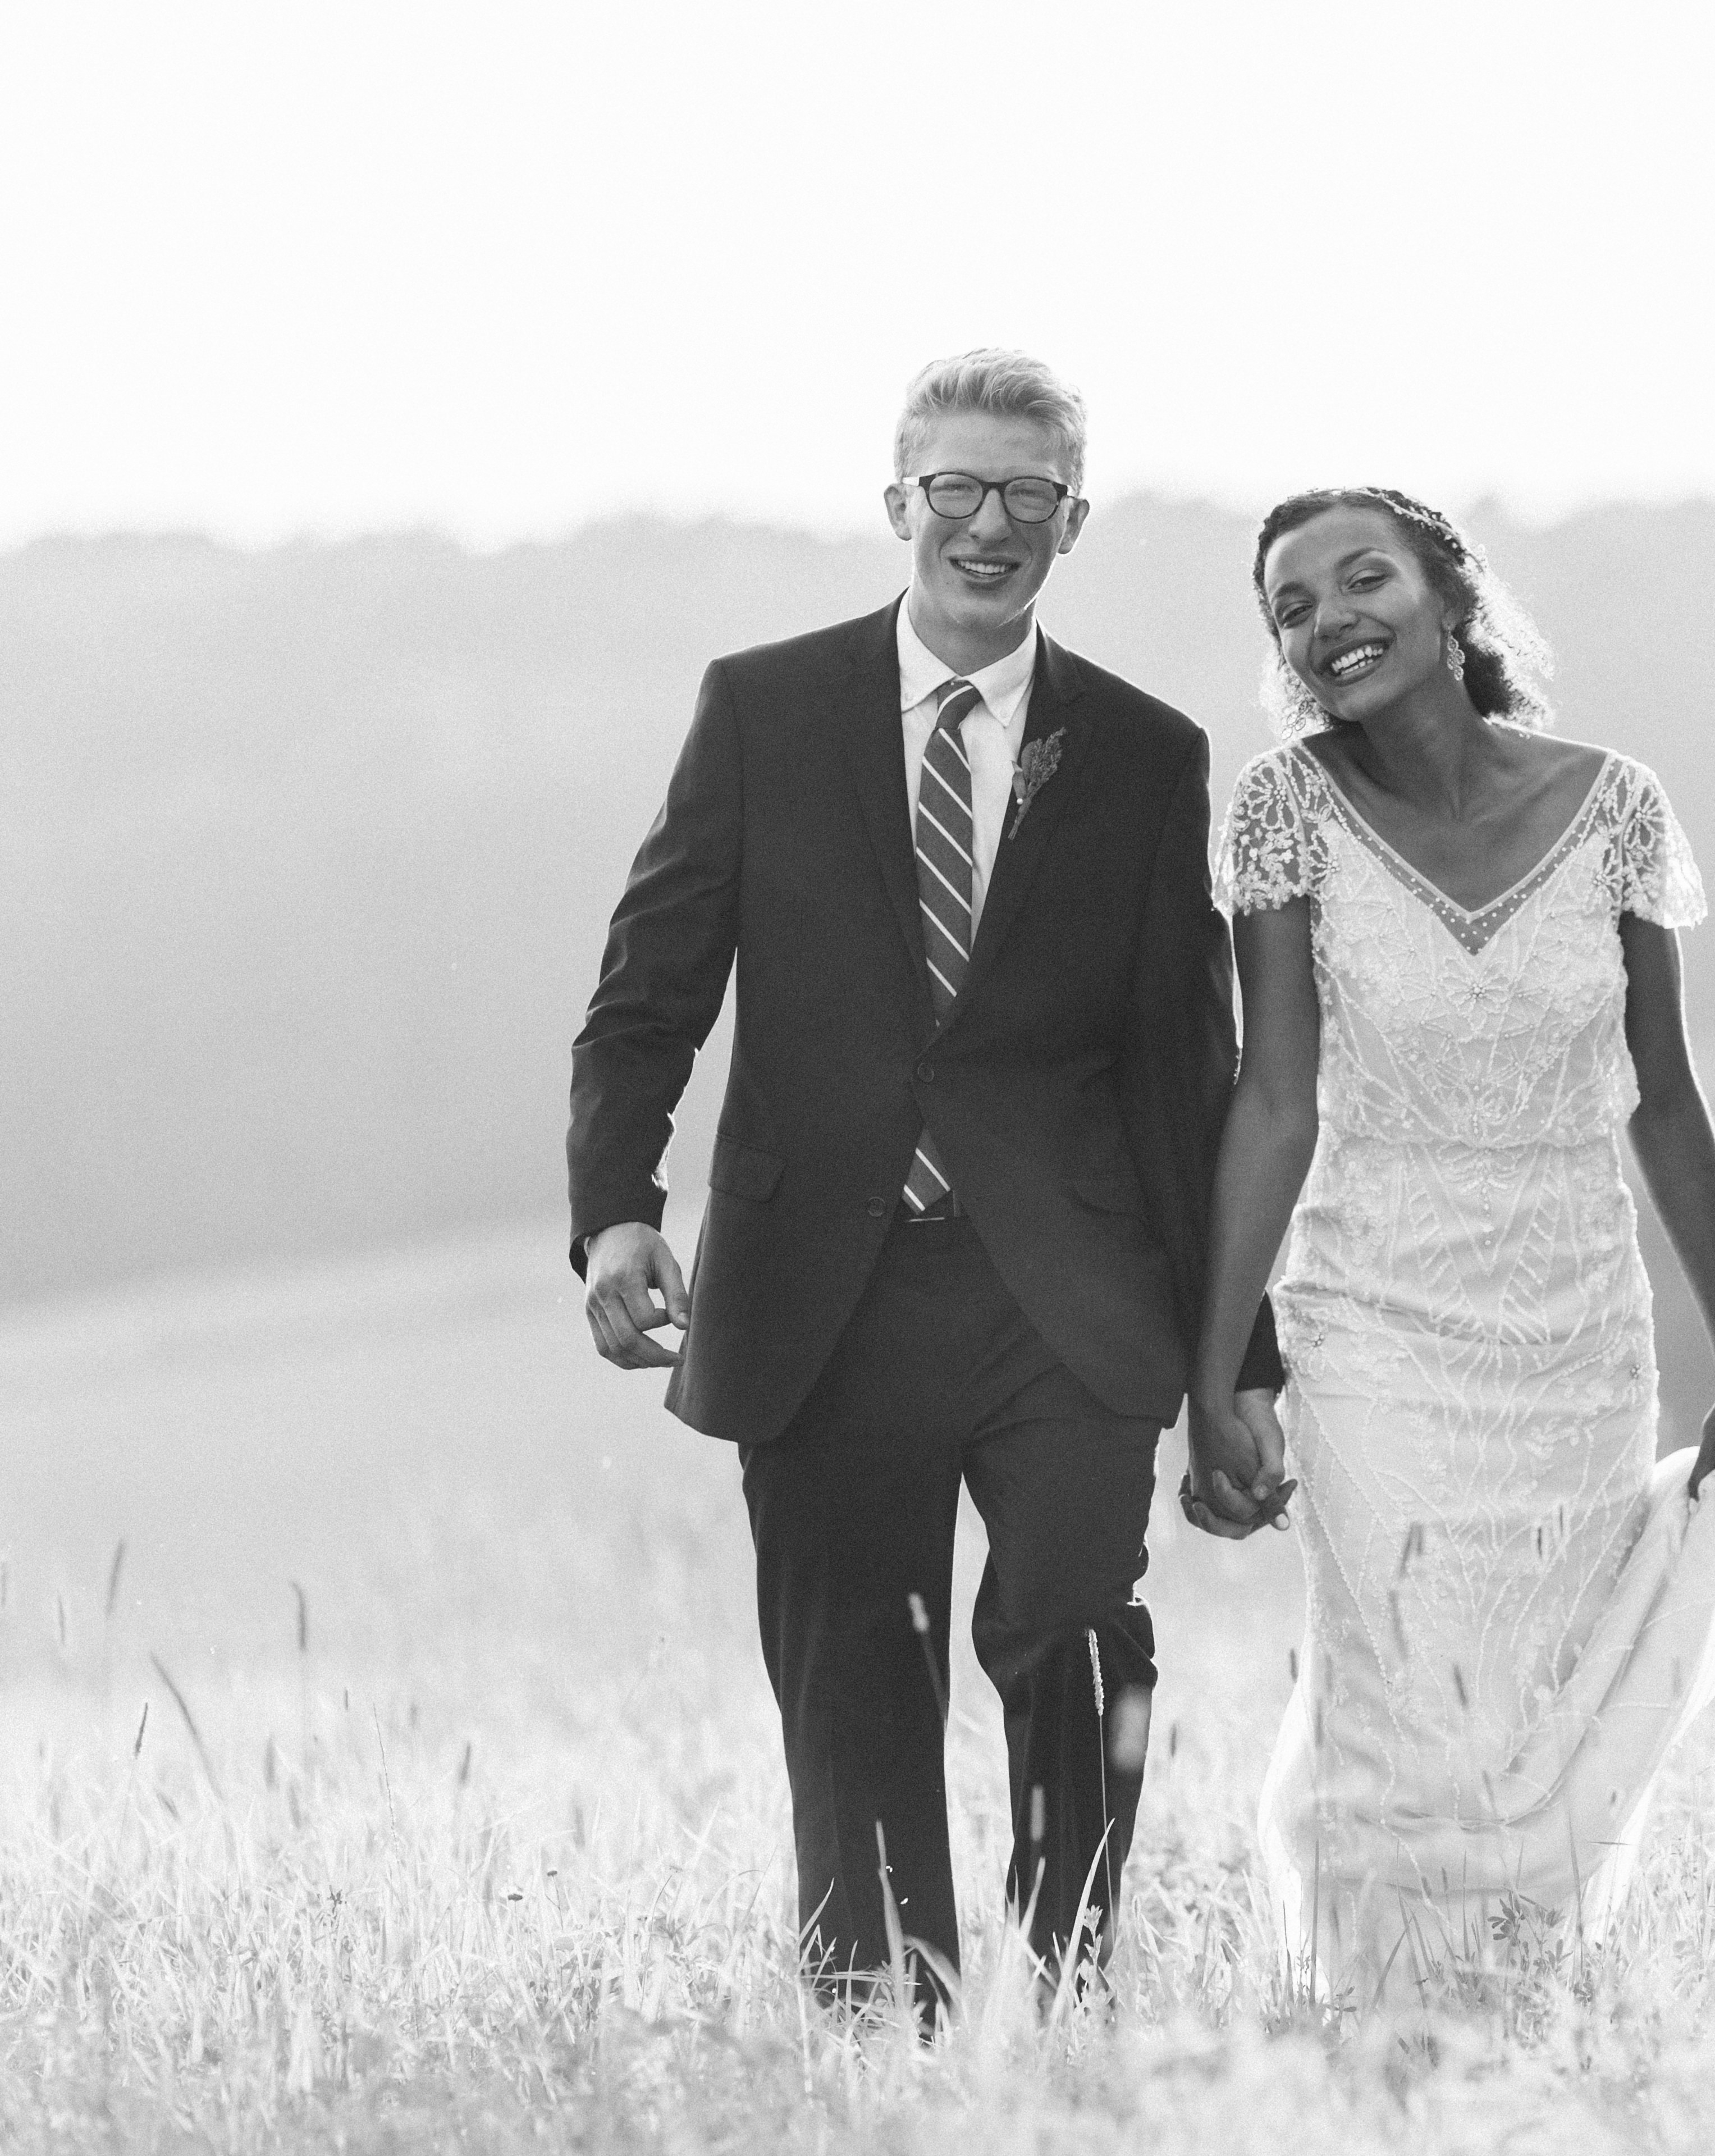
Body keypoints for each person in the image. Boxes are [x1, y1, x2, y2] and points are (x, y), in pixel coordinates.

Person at [566, 350, 1279, 2018]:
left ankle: (1074, 2005)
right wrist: (617, 1208)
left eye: (1029, 496)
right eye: (956, 489)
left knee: (1079, 1638)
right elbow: (649, 988)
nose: (989, 525)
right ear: (899, 502)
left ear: (1073, 523)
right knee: (855, 1697)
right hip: (829, 1294)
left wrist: (1235, 1373)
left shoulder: (1143, 754)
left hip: (1069, 1302)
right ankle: (892, 2050)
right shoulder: (764, 709)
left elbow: (1190, 1073)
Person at [1189, 486, 1715, 1999]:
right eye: (1294, 608)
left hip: (1575, 1336)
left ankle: (1507, 2024)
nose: (1330, 621)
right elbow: (1271, 1103)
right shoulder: (1283, 810)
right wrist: (1212, 1377)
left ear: (1454, 600)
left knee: (1534, 1708)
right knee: (1398, 1701)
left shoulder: (1617, 805)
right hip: (1368, 1321)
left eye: (1360, 579)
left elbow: (1664, 1097)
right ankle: (1381, 2033)